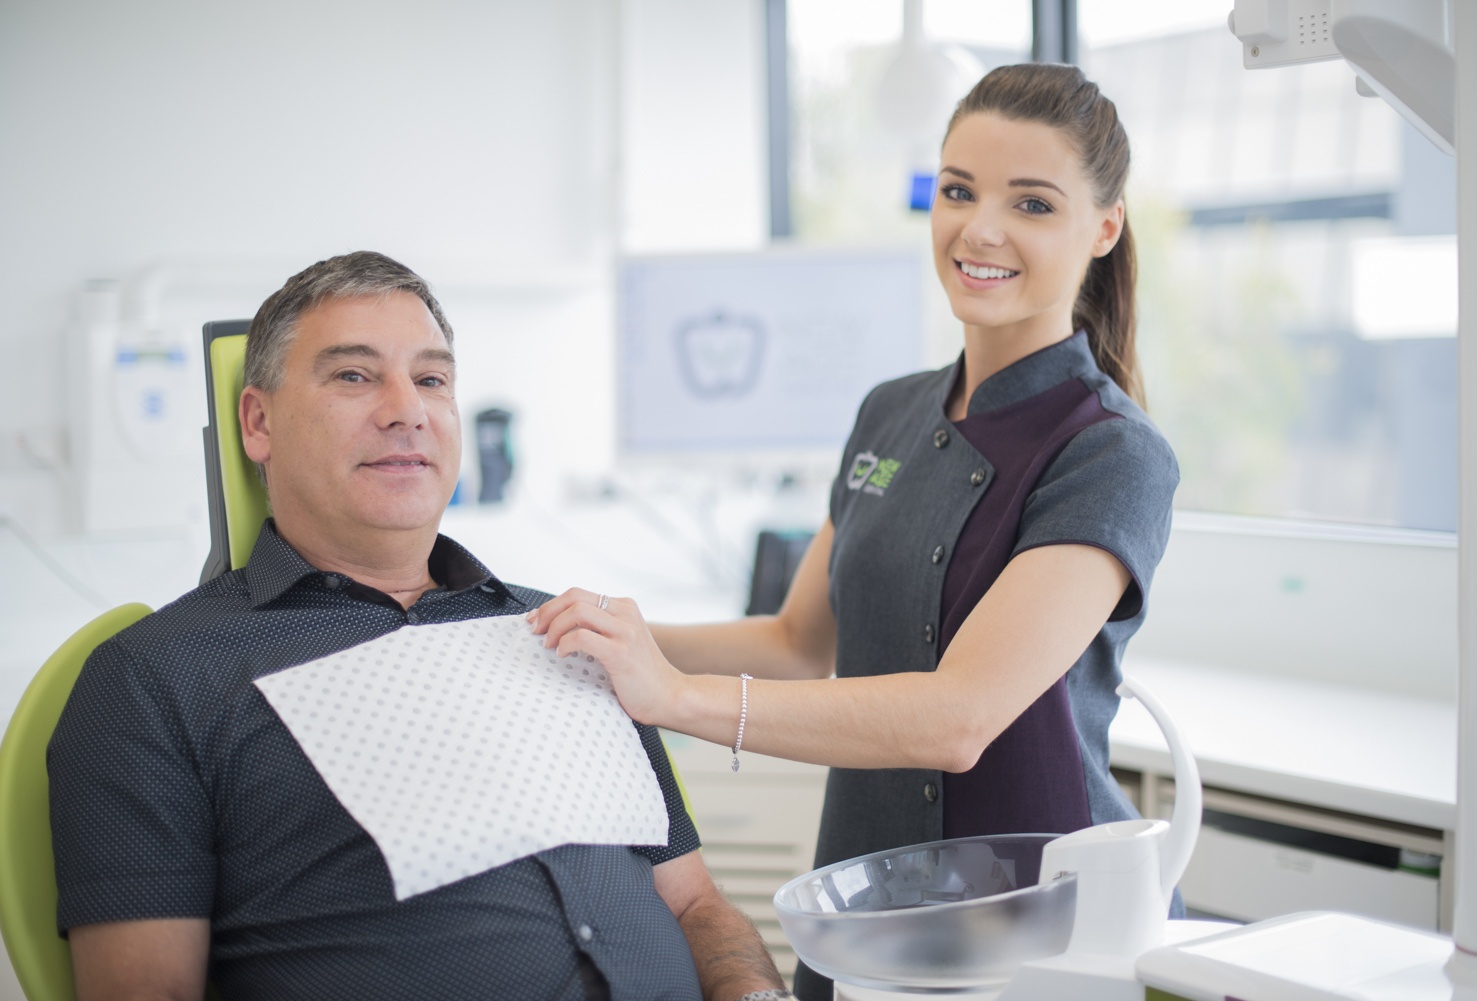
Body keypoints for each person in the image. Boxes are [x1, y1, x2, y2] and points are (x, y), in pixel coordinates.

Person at [529, 64, 1179, 1000]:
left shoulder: (1112, 452)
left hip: (1037, 929)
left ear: (1104, 226)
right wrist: (589, 634)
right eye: (958, 191)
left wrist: (674, 696)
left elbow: (959, 717)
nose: (979, 229)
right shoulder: (890, 412)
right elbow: (798, 644)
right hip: (865, 900)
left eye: (1031, 203)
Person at [47, 251, 789, 1001]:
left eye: (432, 379)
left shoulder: (573, 637)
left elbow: (695, 904)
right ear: (259, 420)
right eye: (354, 375)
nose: (408, 409)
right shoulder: (155, 680)